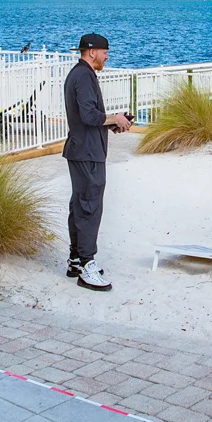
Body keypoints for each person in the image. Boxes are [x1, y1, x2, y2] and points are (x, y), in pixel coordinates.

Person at [63, 32, 132, 292]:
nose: (107, 56)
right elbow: (90, 115)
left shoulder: (81, 75)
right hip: (87, 153)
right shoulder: (83, 76)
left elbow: (89, 118)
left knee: (80, 206)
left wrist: (114, 123)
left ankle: (76, 260)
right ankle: (87, 265)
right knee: (90, 208)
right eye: (105, 51)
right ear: (92, 52)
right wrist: (112, 117)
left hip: (83, 150)